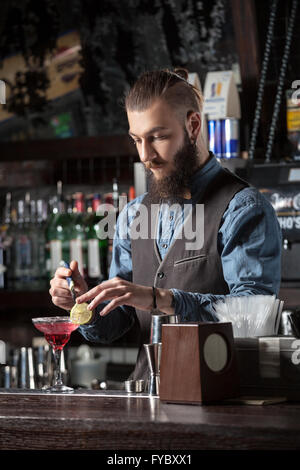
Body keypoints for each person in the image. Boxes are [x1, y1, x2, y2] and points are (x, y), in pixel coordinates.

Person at [49, 68, 282, 381]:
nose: (146, 156)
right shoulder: (132, 215)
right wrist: (84, 303)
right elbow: (114, 326)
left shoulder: (243, 208)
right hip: (147, 401)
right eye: (136, 140)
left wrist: (162, 299)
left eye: (158, 137)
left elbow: (255, 318)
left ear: (193, 125)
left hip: (221, 401)